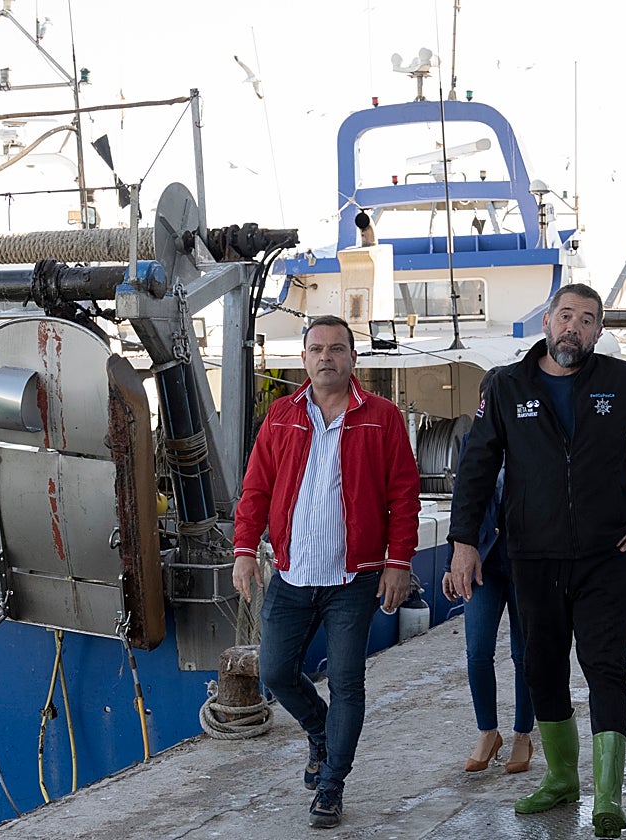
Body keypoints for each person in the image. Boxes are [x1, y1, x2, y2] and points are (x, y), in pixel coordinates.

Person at [448, 283, 626, 839]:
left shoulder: (622, 381)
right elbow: (478, 467)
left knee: (605, 669)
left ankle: (608, 795)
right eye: (565, 316)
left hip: (607, 555)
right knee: (542, 670)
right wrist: (464, 541)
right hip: (532, 557)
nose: (573, 328)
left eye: (586, 319)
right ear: (546, 323)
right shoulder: (507, 386)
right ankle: (561, 779)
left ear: (598, 331)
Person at [232, 314, 421, 830]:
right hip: (292, 575)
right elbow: (256, 489)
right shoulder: (280, 415)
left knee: (347, 683)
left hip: (352, 578)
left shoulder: (381, 417)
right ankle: (319, 733)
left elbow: (404, 495)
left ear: (353, 358)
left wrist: (399, 561)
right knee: (274, 671)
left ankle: (331, 786)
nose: (326, 357)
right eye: (317, 348)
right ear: (304, 356)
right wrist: (244, 549)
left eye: (337, 349)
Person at [441, 367, 534, 775]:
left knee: (523, 655)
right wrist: (453, 560)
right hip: (481, 563)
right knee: (477, 651)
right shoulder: (471, 444)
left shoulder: (533, 445)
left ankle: (522, 735)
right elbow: (463, 502)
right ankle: (487, 732)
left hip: (526, 563)